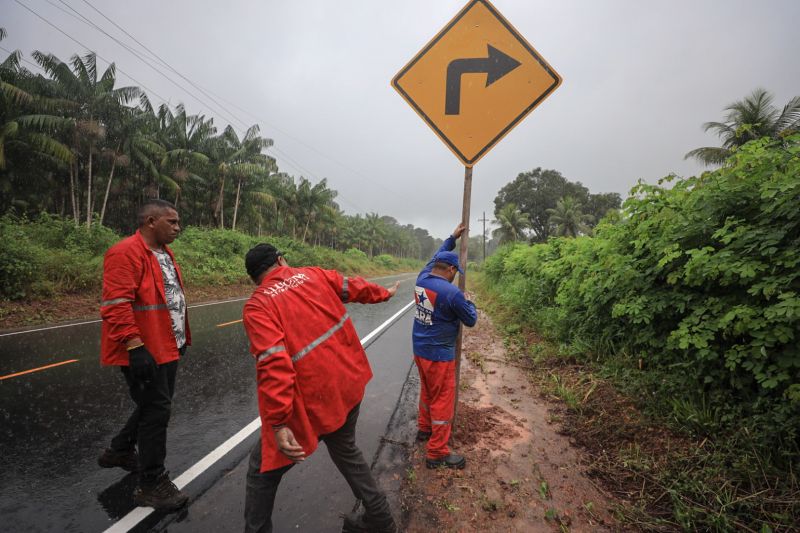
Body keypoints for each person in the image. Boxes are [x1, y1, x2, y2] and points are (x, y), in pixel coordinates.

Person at [242, 243, 400, 533]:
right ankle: (380, 518)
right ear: (281, 260)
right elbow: (352, 287)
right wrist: (384, 293)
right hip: (348, 384)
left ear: (255, 277)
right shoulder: (313, 274)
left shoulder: (258, 305)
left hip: (314, 399)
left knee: (261, 471)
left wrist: (277, 422)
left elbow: (273, 364)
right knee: (346, 450)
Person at [97, 199, 189, 511]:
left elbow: (167, 298)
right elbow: (116, 304)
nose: (177, 228)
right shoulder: (125, 252)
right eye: (172, 222)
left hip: (167, 344)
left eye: (177, 222)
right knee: (157, 410)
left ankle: (120, 450)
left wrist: (179, 337)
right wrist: (135, 346)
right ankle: (152, 483)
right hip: (144, 349)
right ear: (151, 221)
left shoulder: (163, 252)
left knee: (155, 406)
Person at [412, 222, 477, 469]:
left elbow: (434, 256)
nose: (455, 275)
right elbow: (470, 320)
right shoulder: (452, 294)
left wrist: (452, 238)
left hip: (420, 350)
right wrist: (469, 302)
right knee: (442, 401)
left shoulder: (423, 278)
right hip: (439, 355)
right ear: (450, 269)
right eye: (455, 271)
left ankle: (424, 428)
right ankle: (437, 452)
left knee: (428, 393)